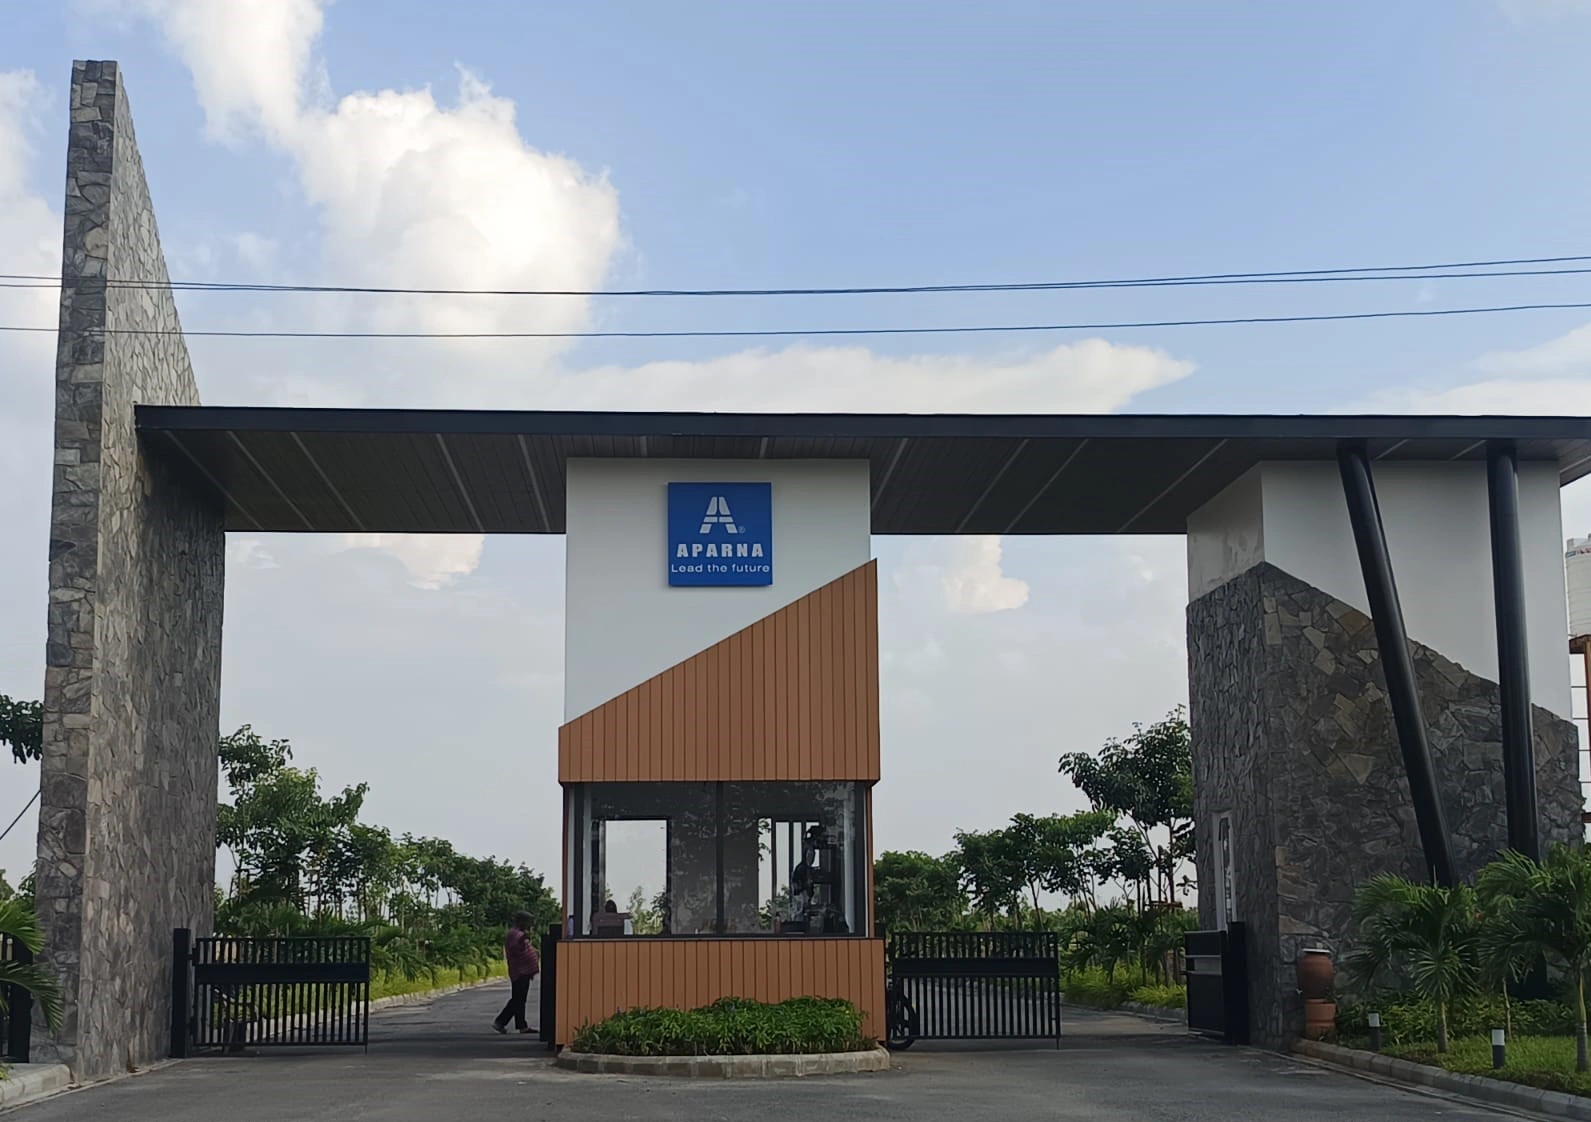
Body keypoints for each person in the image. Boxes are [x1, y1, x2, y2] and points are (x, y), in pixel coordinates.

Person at [492, 910, 540, 1035]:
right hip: (519, 972)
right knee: (518, 999)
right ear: (520, 921)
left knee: (520, 1000)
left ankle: (522, 1025)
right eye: (527, 921)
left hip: (524, 971)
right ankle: (500, 1022)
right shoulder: (515, 934)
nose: (529, 924)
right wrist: (523, 938)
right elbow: (515, 948)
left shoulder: (519, 933)